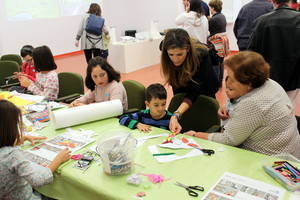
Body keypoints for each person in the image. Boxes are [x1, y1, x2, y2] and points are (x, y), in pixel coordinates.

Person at [184, 51, 300, 159]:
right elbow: (238, 96)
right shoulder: (269, 83)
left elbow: (229, 139)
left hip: (269, 159)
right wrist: (227, 105)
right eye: (227, 75)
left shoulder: (253, 103)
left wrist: (195, 134)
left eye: (232, 79)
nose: (227, 81)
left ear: (248, 83)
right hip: (290, 150)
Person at [0, 99, 71, 200]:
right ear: (10, 128)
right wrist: (58, 160)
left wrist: (17, 141)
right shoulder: (12, 155)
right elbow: (37, 180)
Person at [160, 28, 219, 133]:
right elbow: (178, 93)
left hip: (205, 91)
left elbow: (195, 91)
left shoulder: (201, 56)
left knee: (203, 124)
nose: (175, 59)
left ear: (187, 49)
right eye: (171, 55)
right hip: (188, 90)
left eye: (179, 54)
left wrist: (176, 114)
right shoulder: (165, 48)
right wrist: (177, 113)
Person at [248, 0, 300, 107]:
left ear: (273, 1)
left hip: (268, 76)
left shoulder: (261, 21)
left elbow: (251, 52)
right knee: (288, 107)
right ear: (290, 1)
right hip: (294, 76)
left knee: (268, 107)